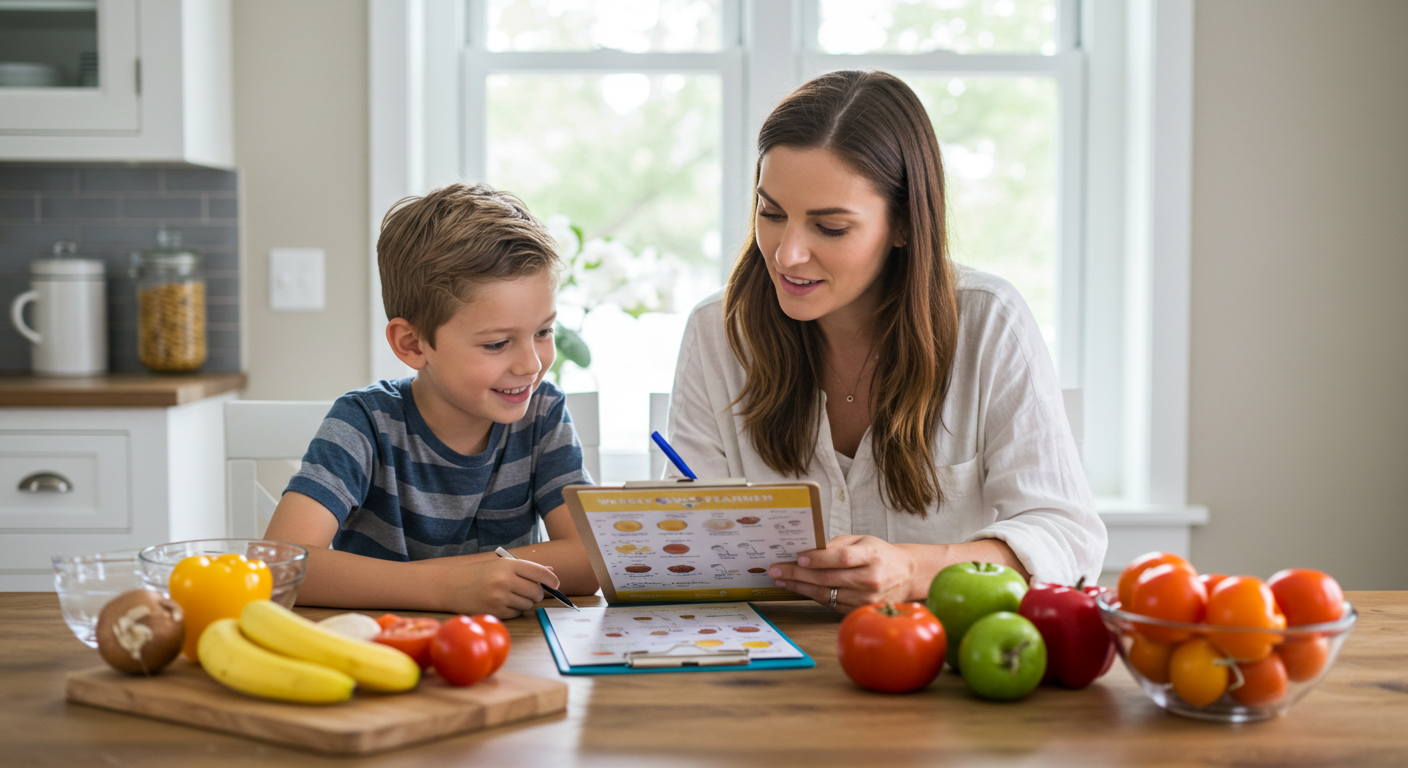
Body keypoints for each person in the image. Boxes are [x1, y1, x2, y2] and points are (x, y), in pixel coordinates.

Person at [667, 70, 1106, 613]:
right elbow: (682, 545)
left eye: (830, 227)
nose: (785, 255)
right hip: (767, 662)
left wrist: (915, 569)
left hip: (940, 660)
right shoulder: (719, 330)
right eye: (771, 213)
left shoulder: (989, 321)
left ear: (903, 225)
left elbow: (1069, 538)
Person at [264, 183, 598, 618]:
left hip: (511, 658)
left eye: (543, 331)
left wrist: (460, 580)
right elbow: (277, 566)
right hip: (382, 651)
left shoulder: (542, 414)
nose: (531, 364)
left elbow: (591, 559)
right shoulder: (366, 421)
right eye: (498, 344)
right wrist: (446, 589)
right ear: (413, 344)